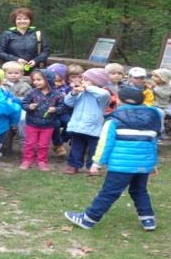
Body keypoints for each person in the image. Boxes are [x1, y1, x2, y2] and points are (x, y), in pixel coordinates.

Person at [64, 85, 161, 231]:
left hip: (121, 166)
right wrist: (152, 163)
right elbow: (153, 142)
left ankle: (88, 219)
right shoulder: (153, 118)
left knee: (109, 192)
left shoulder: (113, 119)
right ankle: (148, 220)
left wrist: (97, 162)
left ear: (120, 100)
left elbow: (105, 143)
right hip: (143, 164)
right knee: (139, 191)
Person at [63, 68, 112, 175]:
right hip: (77, 125)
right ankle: (73, 165)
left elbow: (104, 94)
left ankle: (92, 167)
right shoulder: (80, 93)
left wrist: (87, 87)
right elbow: (68, 102)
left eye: (86, 79)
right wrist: (73, 93)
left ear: (96, 82)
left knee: (94, 149)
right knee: (76, 147)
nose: (83, 81)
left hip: (93, 126)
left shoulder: (102, 94)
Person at [20, 69, 65, 171]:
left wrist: (55, 109)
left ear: (48, 79)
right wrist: (29, 106)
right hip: (32, 123)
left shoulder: (57, 94)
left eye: (39, 79)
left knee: (44, 144)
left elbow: (63, 107)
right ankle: (27, 160)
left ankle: (42, 161)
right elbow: (23, 103)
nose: (35, 82)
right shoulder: (32, 92)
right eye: (34, 80)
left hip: (48, 125)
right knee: (30, 143)